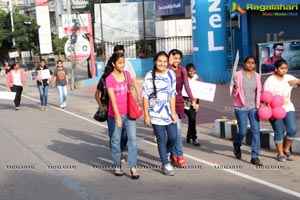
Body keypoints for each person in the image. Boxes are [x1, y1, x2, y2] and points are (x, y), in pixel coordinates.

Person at [105, 52, 140, 179]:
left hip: (129, 113)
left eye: (123, 63)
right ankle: (117, 165)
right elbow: (112, 99)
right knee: (115, 140)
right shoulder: (109, 79)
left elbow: (129, 90)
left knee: (132, 140)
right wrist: (118, 117)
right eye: (119, 63)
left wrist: (137, 96)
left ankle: (133, 166)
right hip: (114, 115)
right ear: (114, 63)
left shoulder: (127, 75)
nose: (122, 65)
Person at [143, 51, 178, 176]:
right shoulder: (148, 76)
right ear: (155, 62)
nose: (162, 64)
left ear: (167, 62)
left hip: (168, 112)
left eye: (164, 61)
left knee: (173, 137)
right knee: (161, 139)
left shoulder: (171, 74)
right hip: (155, 113)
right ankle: (165, 163)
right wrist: (146, 115)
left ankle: (165, 153)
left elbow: (172, 94)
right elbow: (145, 97)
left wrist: (173, 113)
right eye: (159, 61)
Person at [263, 59, 300, 162]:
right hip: (275, 109)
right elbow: (266, 97)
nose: (284, 70)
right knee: (279, 131)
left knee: (292, 130)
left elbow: (298, 83)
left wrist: (298, 82)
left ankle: (286, 149)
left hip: (288, 107)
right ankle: (280, 153)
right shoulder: (270, 81)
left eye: (286, 68)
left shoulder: (288, 78)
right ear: (276, 69)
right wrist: (270, 112)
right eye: (282, 68)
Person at [168, 49, 198, 167]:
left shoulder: (182, 70)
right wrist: (169, 64)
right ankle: (173, 153)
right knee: (171, 133)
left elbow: (187, 85)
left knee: (178, 130)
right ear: (171, 58)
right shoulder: (166, 70)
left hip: (178, 101)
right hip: (167, 102)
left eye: (179, 58)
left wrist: (193, 100)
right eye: (174, 58)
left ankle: (179, 155)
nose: (177, 60)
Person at [232, 56, 263, 166]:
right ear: (244, 63)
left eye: (253, 63)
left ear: (255, 64)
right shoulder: (238, 75)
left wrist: (260, 105)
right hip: (240, 107)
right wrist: (235, 86)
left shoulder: (258, 76)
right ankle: (236, 144)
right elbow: (234, 94)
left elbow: (259, 91)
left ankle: (255, 156)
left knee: (256, 131)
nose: (250, 65)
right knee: (243, 131)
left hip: (254, 107)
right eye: (248, 63)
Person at [113, 45, 141, 163]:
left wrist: (138, 93)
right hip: (115, 107)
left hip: (128, 102)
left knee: (131, 136)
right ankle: (119, 156)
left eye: (122, 53)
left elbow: (133, 79)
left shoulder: (128, 65)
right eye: (118, 53)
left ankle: (132, 165)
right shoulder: (110, 69)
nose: (121, 62)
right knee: (117, 134)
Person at [184, 63, 201, 146]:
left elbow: (201, 88)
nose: (192, 73)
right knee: (192, 117)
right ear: (187, 71)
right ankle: (194, 137)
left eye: (193, 71)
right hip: (187, 101)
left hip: (196, 100)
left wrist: (196, 102)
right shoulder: (184, 79)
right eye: (190, 71)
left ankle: (188, 136)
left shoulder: (196, 77)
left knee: (192, 119)